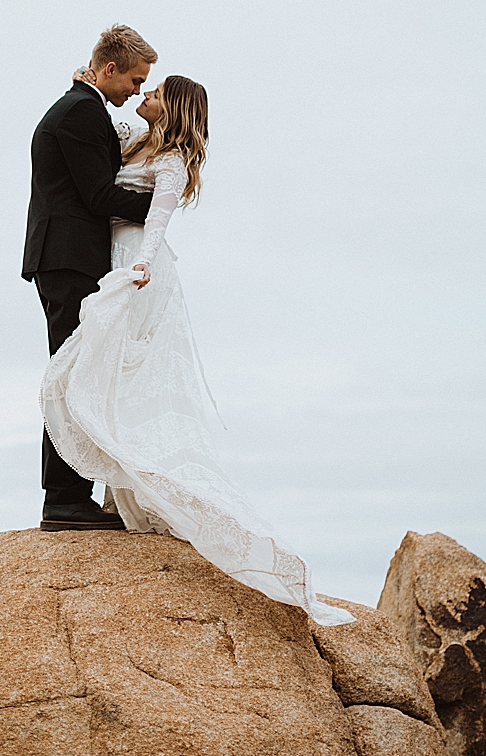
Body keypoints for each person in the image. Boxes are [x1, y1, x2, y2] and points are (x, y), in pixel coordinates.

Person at [39, 69, 356, 627]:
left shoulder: (171, 160)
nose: (145, 94)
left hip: (136, 268)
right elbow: (102, 127)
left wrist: (140, 265)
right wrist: (85, 79)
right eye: (142, 84)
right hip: (108, 259)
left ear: (172, 106)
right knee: (107, 375)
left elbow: (157, 217)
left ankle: (117, 491)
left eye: (155, 91)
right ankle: (110, 490)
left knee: (117, 374)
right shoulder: (135, 140)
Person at [22, 24, 158, 532]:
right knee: (73, 375)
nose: (137, 90)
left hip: (66, 256)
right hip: (68, 257)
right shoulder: (81, 110)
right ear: (108, 70)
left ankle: (71, 494)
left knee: (79, 372)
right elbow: (99, 195)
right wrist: (160, 205)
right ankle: (63, 499)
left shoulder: (82, 105)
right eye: (134, 80)